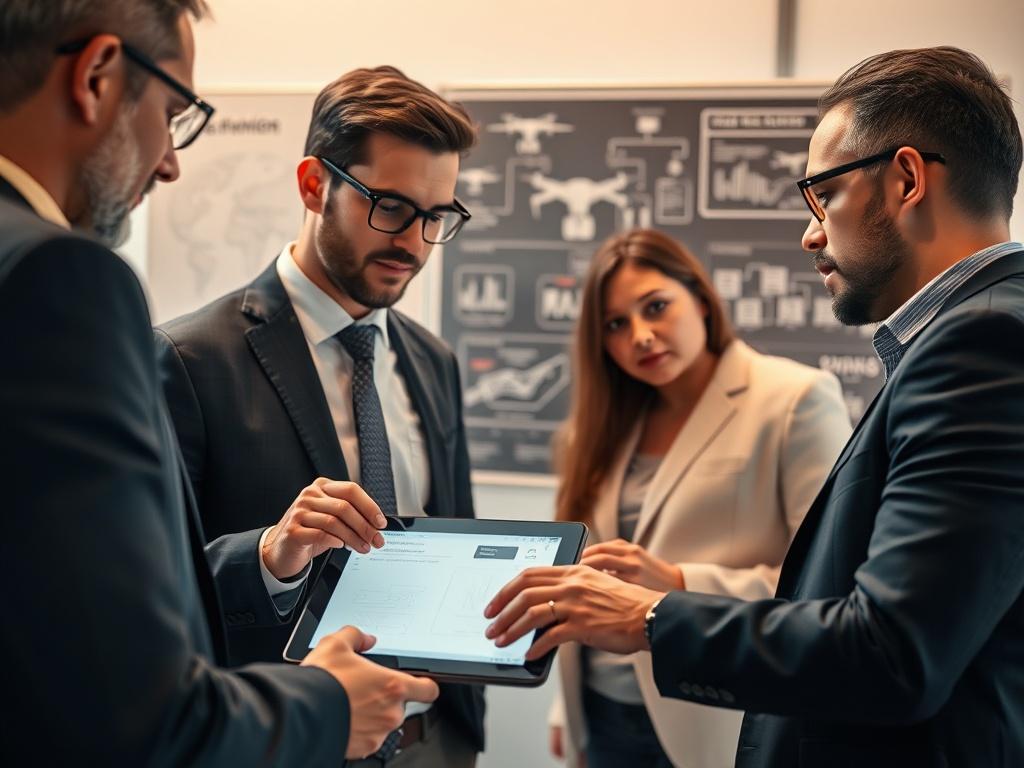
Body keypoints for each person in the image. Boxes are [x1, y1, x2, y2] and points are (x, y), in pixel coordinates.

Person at [484, 45, 1024, 768]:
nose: (809, 233)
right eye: (616, 323)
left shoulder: (982, 344)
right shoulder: (975, 333)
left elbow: (893, 652)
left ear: (905, 179)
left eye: (823, 195)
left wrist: (652, 613)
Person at [0, 2, 437, 764]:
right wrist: (326, 701)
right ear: (98, 75)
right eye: (174, 111)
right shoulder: (63, 283)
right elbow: (129, 707)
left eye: (438, 217)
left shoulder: (433, 361)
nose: (170, 161)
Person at [154, 66, 484, 766]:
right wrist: (272, 553)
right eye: (391, 207)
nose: (415, 243)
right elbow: (151, 594)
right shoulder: (187, 358)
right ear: (313, 184)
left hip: (431, 741)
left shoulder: (434, 362)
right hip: (282, 742)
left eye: (436, 217)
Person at [547, 229, 850, 767]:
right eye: (616, 324)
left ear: (702, 300)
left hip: (715, 711)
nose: (640, 336)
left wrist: (679, 583)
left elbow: (826, 584)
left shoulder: (793, 398)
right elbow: (582, 572)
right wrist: (561, 707)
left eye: (656, 307)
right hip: (599, 710)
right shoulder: (598, 428)